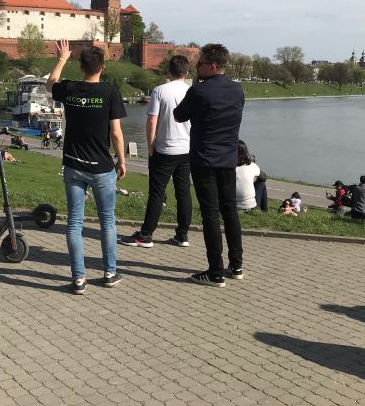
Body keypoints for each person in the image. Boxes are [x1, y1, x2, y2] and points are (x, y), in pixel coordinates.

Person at [47, 40, 127, 294]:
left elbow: (50, 85)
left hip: (73, 164)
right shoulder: (111, 92)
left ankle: (79, 279)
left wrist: (61, 59)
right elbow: (115, 132)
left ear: (80, 66)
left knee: (74, 224)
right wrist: (122, 160)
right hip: (102, 167)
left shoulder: (69, 89)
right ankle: (110, 272)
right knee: (107, 222)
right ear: (102, 67)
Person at [173, 43, 244, 288]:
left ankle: (215, 271)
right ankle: (236, 265)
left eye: (199, 64)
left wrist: (194, 88)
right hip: (228, 159)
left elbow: (179, 115)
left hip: (204, 160)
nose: (196, 68)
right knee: (230, 211)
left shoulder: (199, 92)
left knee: (210, 215)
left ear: (212, 66)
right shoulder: (238, 90)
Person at [121, 54, 192, 248]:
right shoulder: (193, 91)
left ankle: (146, 235)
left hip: (165, 149)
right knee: (183, 192)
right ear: (186, 72)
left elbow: (152, 120)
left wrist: (150, 144)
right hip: (186, 149)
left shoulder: (160, 91)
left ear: (169, 72)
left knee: (157, 193)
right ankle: (182, 234)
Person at [234, 139, 260, 212]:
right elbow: (262, 176)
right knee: (261, 182)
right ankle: (262, 207)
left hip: (228, 203)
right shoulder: (253, 166)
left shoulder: (226, 166)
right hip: (249, 204)